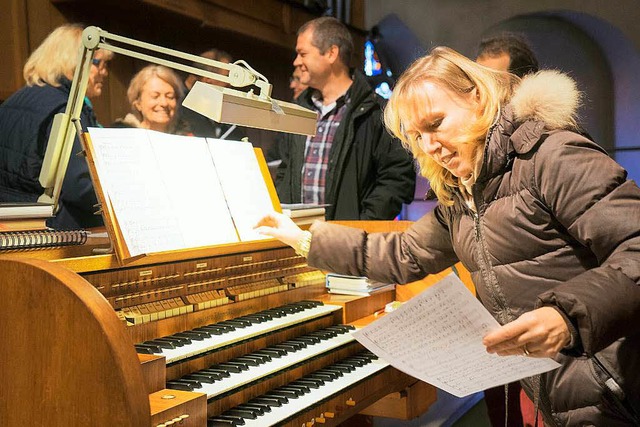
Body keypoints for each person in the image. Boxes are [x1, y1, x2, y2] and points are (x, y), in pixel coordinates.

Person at [256, 46, 640, 426]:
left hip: (620, 386)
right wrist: (304, 239)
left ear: (476, 97)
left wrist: (566, 316)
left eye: (435, 124)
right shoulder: (464, 194)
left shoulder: (550, 155)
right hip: (564, 390)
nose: (429, 146)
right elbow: (404, 253)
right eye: (416, 135)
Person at [275, 16, 415, 220]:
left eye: (302, 53)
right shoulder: (299, 109)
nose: (296, 62)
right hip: (297, 237)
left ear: (331, 53)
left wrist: (363, 226)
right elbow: (285, 170)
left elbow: (397, 178)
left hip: (350, 240)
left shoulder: (376, 111)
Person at [0, 24, 113, 229]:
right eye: (100, 64)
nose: (105, 72)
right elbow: (80, 187)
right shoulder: (68, 108)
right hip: (55, 234)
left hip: (12, 229)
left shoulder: (12, 101)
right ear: (74, 62)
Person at [179, 48, 246, 140]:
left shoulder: (218, 111)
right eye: (227, 77)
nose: (230, 84)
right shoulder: (177, 107)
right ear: (208, 80)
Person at [113, 65, 190, 135]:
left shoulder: (187, 140)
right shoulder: (121, 137)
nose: (164, 103)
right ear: (138, 104)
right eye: (155, 96)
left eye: (170, 96)